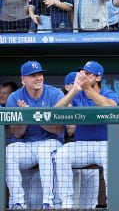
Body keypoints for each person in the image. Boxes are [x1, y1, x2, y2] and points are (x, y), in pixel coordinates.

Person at [55, 61, 119, 209]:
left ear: (98, 78)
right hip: (82, 145)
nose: (84, 76)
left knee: (113, 157)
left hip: (104, 144)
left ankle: (114, 202)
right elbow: (57, 110)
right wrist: (74, 90)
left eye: (88, 73)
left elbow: (112, 107)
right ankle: (67, 203)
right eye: (82, 72)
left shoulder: (107, 93)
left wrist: (88, 90)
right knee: (61, 155)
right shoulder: (77, 95)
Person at [6, 61, 64, 209]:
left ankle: (48, 202)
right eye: (33, 75)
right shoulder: (14, 97)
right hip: (26, 145)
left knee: (45, 152)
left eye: (40, 74)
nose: (38, 78)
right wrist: (25, 117)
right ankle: (17, 202)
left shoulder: (55, 94)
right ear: (23, 79)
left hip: (50, 141)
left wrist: (33, 115)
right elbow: (17, 134)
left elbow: (58, 129)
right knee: (9, 152)